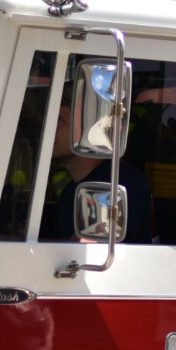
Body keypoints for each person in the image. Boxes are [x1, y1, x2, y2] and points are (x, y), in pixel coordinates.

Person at [41, 98, 154, 244]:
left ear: (88, 128)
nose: (48, 129)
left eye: (59, 120)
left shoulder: (122, 183)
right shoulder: (70, 192)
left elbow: (91, 247)